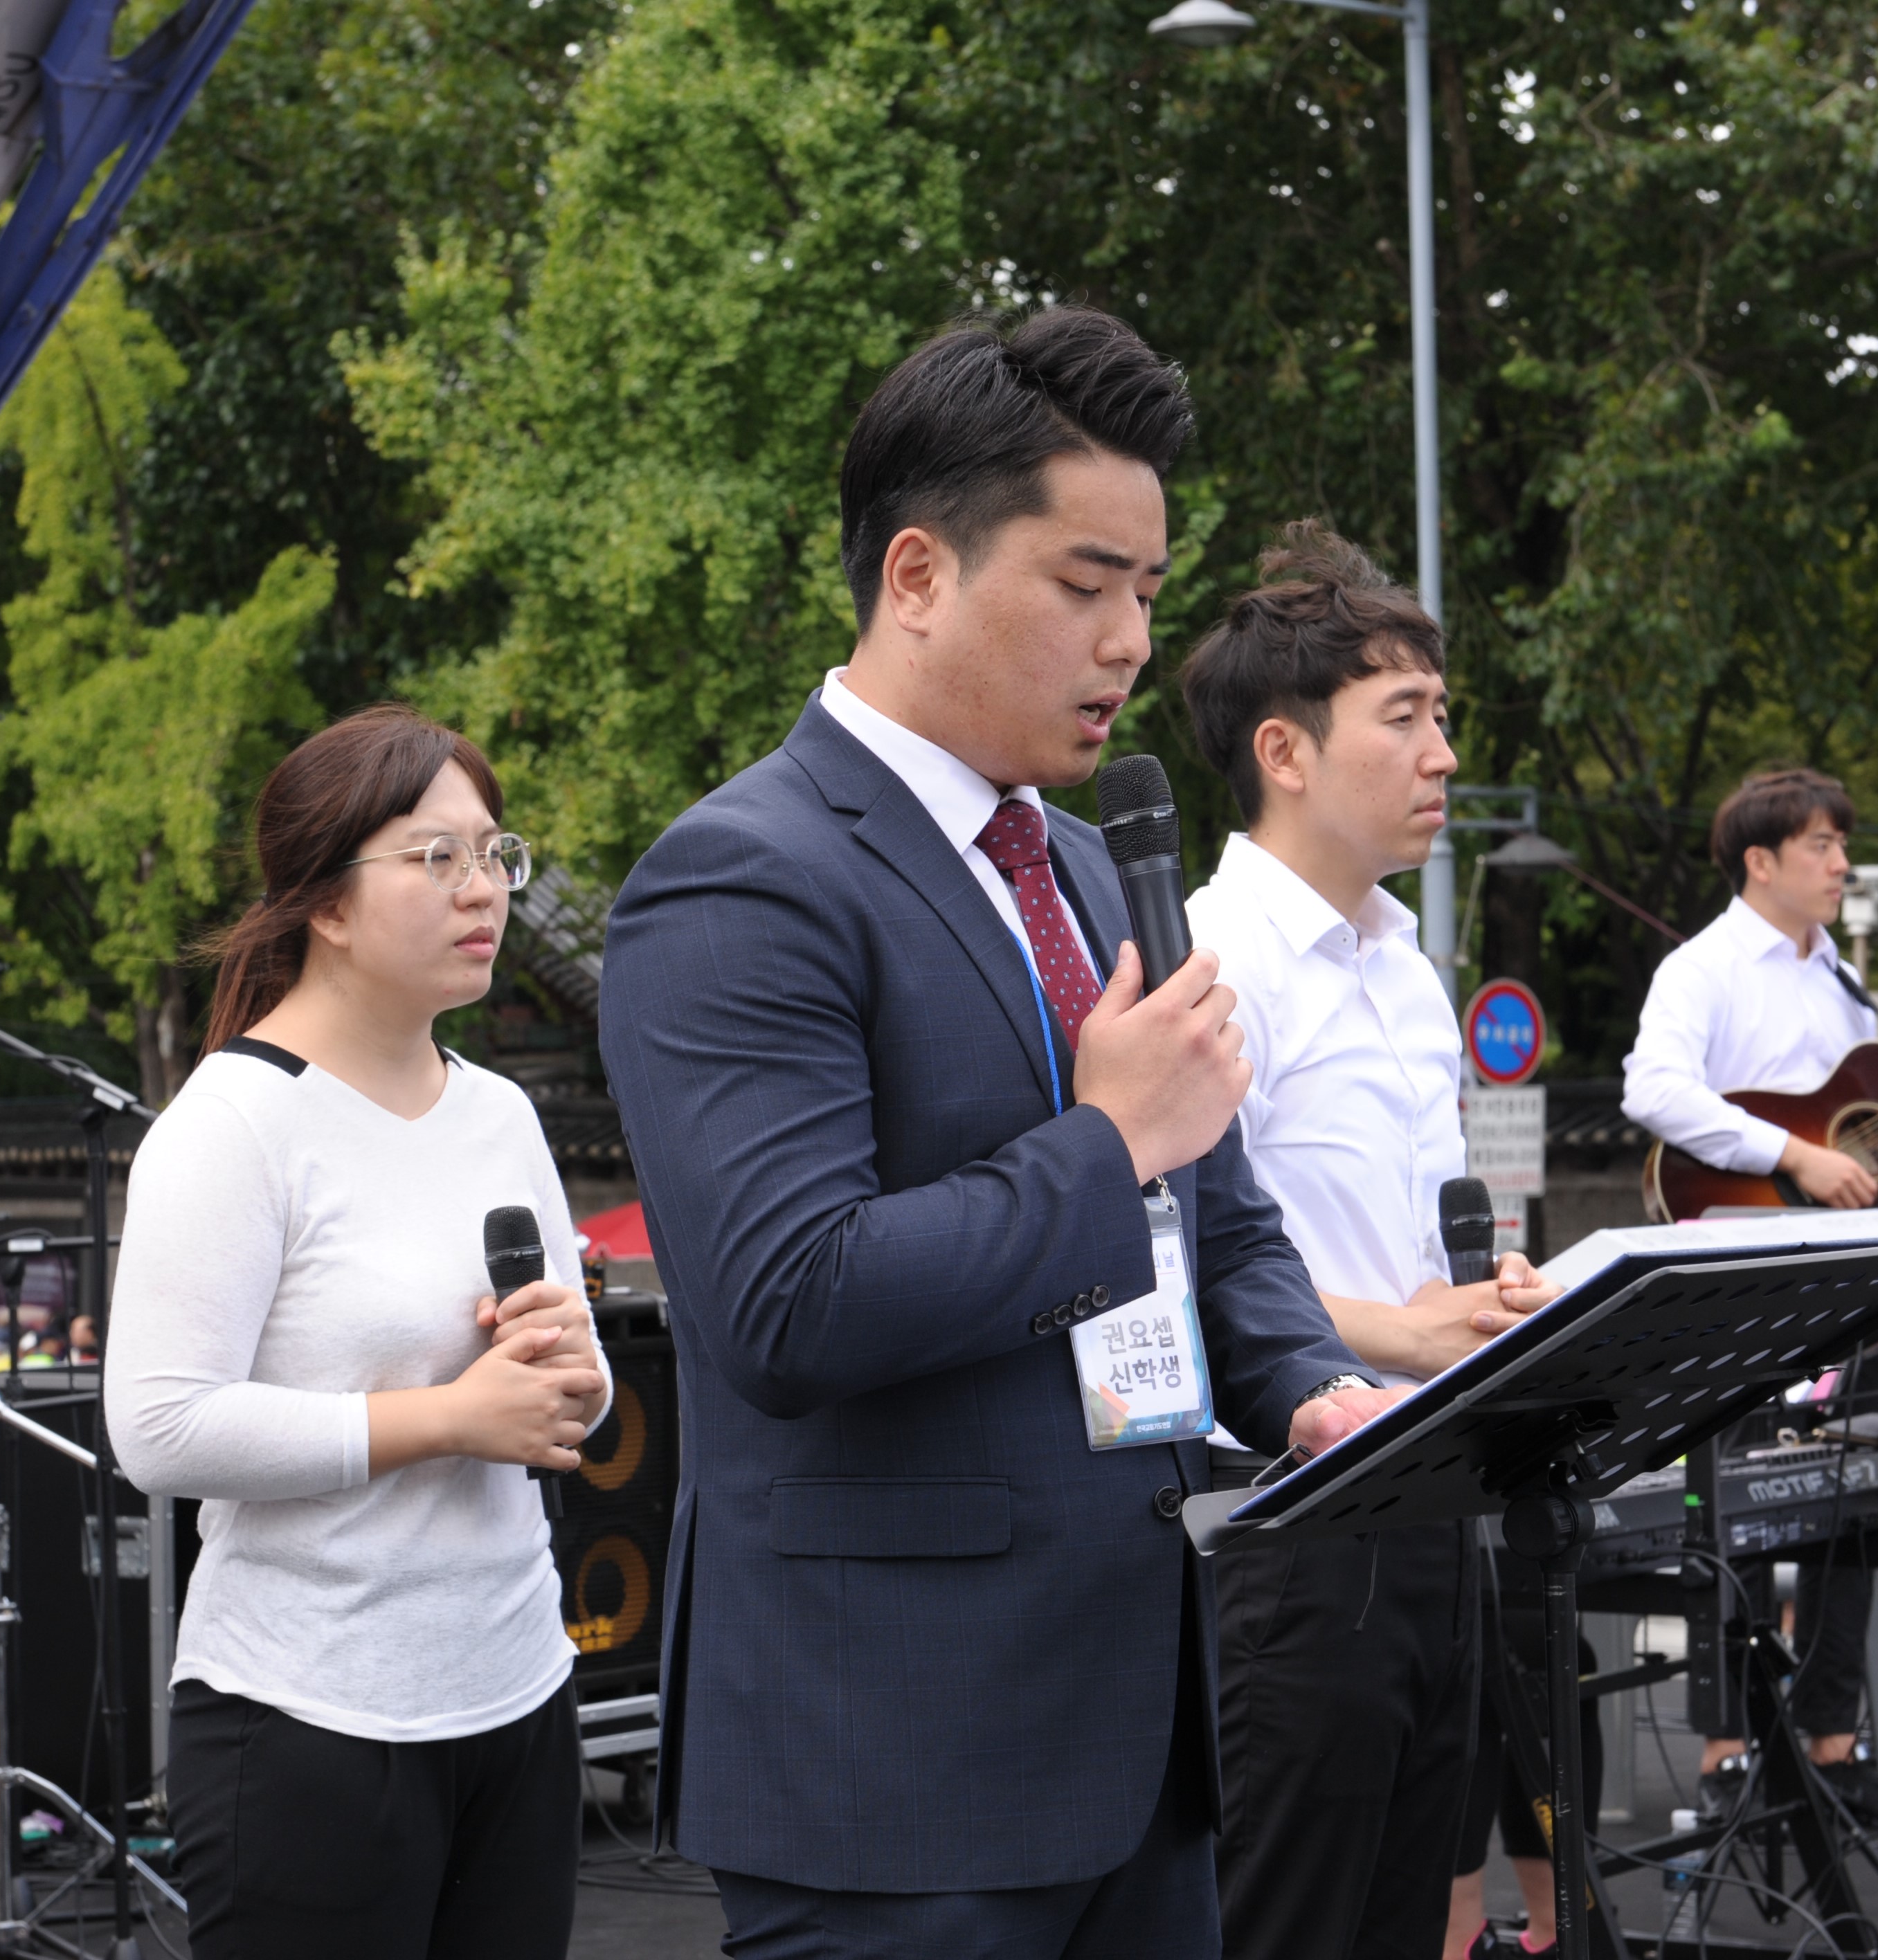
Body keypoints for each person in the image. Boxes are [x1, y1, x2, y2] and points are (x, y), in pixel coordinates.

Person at [597, 308, 1394, 1960]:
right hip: (893, 1768)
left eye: (1148, 594)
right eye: (1085, 586)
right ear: (917, 576)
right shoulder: (740, 877)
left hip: (1143, 1733)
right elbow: (789, 1302)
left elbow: (1217, 1215)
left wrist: (1311, 1383)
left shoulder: (1094, 869)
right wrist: (1105, 1143)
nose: (1129, 642)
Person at [104, 707, 611, 1960]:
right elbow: (160, 1428)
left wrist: (574, 1375)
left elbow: (574, 1391)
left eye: (494, 854)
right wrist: (448, 1418)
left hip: (518, 1692)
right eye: (437, 858)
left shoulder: (499, 1113)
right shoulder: (234, 1124)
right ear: (326, 903)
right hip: (308, 1722)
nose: (482, 889)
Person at [1173, 525, 1557, 1960]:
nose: (1442, 754)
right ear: (1283, 751)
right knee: (1283, 1925)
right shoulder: (1210, 962)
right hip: (1285, 1527)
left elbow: (1402, 1257)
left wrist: (1481, 1304)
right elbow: (1181, 1267)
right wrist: (1407, 1332)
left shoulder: (1406, 967)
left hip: (1434, 1504)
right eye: (1404, 717)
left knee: (1413, 1918)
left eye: (1440, 716)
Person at [1620, 767, 1878, 1831]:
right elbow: (1651, 1088)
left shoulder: (1840, 982)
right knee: (1735, 1516)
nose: (1841, 863)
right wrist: (1789, 1156)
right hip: (1741, 1284)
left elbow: (1860, 1134)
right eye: (1821, 844)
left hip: (1848, 1283)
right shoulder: (1701, 969)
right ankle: (1726, 1757)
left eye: (1841, 844)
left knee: (1856, 1506)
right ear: (1759, 861)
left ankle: (1832, 1747)